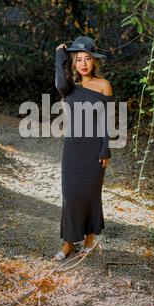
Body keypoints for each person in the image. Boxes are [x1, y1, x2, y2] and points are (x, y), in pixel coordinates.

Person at [54, 36, 114, 261]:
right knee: (71, 196)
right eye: (78, 59)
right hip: (73, 149)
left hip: (94, 149)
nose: (84, 63)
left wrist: (105, 149)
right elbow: (59, 84)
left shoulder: (104, 85)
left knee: (91, 195)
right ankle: (68, 243)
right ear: (73, 62)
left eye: (87, 58)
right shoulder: (69, 86)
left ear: (94, 61)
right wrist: (59, 56)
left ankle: (89, 240)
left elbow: (106, 121)